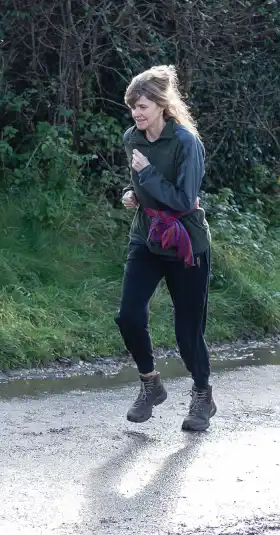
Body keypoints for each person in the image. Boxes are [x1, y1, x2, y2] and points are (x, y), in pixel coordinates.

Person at [115, 65, 215, 432]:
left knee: (188, 333)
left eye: (142, 106)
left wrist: (146, 175)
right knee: (128, 315)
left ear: (161, 105)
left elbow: (184, 199)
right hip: (147, 235)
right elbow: (140, 185)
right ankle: (150, 383)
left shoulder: (186, 142)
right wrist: (132, 192)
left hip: (186, 242)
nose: (136, 114)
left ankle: (202, 395)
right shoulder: (132, 138)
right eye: (132, 107)